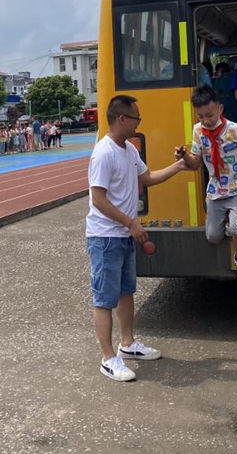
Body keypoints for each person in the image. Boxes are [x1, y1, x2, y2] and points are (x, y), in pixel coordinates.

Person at [87, 94, 188, 382]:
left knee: (126, 291)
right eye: (136, 119)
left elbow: (148, 178)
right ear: (121, 118)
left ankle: (128, 344)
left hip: (123, 234)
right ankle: (108, 358)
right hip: (105, 236)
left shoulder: (129, 150)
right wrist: (130, 222)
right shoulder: (104, 153)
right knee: (104, 299)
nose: (138, 124)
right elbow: (98, 199)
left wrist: (179, 167)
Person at [175, 85, 237, 284]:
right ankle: (228, 227)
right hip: (215, 192)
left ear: (220, 109)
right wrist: (184, 157)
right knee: (213, 237)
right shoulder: (199, 131)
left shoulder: (234, 130)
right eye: (201, 116)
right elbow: (196, 163)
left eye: (210, 115)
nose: (206, 120)